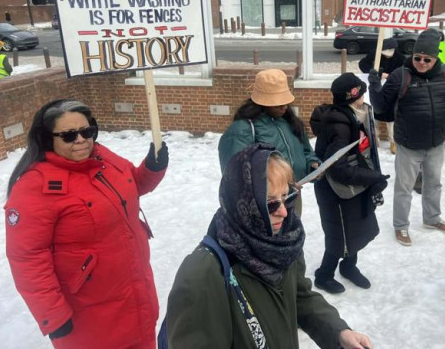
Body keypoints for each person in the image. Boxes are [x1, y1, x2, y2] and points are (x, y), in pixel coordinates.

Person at [165, 143, 374, 349]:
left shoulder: (282, 243)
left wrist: (338, 333)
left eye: (286, 197)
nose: (283, 212)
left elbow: (300, 296)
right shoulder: (203, 274)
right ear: (243, 201)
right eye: (270, 203)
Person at [4, 99, 168, 348]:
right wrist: (53, 315)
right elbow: (27, 258)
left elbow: (132, 185)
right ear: (49, 139)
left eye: (87, 131)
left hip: (135, 295)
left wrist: (152, 168)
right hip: (89, 317)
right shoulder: (33, 187)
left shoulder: (103, 157)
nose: (81, 140)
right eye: (69, 136)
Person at [369, 28, 445, 246]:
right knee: (404, 188)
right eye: (417, 58)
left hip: (435, 143)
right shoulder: (401, 75)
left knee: (434, 184)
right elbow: (380, 107)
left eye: (427, 59)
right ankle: (401, 226)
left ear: (435, 58)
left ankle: (432, 218)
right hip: (408, 144)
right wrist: (374, 86)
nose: (422, 62)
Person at [312, 73, 388, 294]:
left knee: (356, 228)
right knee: (339, 234)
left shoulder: (356, 114)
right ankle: (323, 275)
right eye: (359, 94)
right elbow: (336, 166)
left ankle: (348, 266)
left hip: (356, 181)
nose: (362, 98)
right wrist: (372, 178)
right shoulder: (339, 124)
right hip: (336, 189)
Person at [218, 68, 320, 216]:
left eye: (285, 101)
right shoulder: (242, 130)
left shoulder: (290, 122)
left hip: (293, 195)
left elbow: (306, 151)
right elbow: (235, 176)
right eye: (277, 102)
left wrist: (312, 165)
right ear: (261, 101)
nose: (284, 106)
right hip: (265, 205)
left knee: (292, 237)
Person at [359, 37, 406, 154]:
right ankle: (375, 141)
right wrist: (377, 73)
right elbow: (362, 64)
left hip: (392, 91)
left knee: (392, 119)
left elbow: (405, 72)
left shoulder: (401, 58)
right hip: (377, 89)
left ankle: (393, 142)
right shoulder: (375, 54)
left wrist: (391, 76)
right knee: (374, 117)